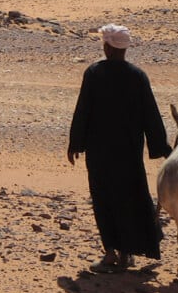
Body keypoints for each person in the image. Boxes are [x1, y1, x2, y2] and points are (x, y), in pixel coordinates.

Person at [67, 23, 172, 273]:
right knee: (130, 198)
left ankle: (111, 253)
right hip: (128, 153)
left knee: (104, 200)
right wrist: (162, 147)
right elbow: (151, 115)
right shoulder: (138, 76)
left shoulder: (94, 73)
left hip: (100, 152)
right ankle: (127, 253)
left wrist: (75, 143)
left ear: (108, 48)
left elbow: (83, 110)